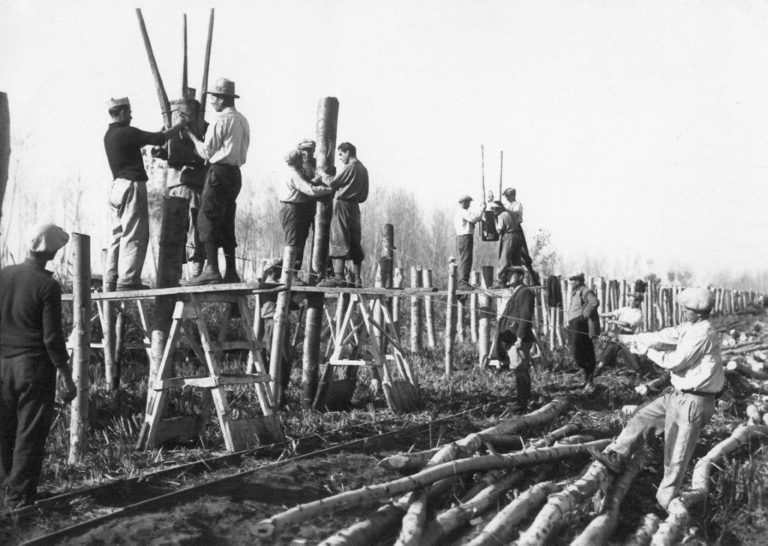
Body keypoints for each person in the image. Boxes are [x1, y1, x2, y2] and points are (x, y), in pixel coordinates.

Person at [588, 287, 723, 510]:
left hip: (694, 401)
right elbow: (662, 336)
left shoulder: (703, 333)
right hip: (678, 395)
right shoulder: (690, 327)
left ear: (698, 313)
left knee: (675, 456)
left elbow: (675, 362)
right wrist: (623, 338)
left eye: (686, 310)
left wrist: (646, 350)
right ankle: (617, 456)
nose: (682, 312)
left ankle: (663, 504)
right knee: (643, 417)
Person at [0, 223, 77, 509]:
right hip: (32, 368)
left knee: (4, 432)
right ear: (54, 252)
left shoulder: (3, 275)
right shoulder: (47, 285)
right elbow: (52, 339)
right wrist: (67, 378)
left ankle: (6, 496)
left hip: (2, 365)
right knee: (29, 435)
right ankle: (19, 500)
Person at [103, 97, 188, 291]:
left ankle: (111, 279)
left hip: (116, 187)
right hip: (131, 186)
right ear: (123, 112)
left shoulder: (109, 135)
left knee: (117, 234)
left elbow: (152, 137)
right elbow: (158, 138)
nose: (131, 115)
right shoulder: (127, 133)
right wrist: (180, 125)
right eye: (130, 112)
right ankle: (129, 280)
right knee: (136, 233)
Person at [184, 78, 250, 285]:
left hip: (219, 172)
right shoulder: (242, 120)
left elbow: (207, 150)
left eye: (214, 98)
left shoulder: (220, 120)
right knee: (226, 219)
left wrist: (192, 137)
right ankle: (231, 272)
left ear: (221, 99)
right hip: (235, 175)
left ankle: (211, 269)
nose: (212, 102)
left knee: (206, 218)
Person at [317, 142, 369, 288]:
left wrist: (321, 174)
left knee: (339, 237)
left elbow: (332, 182)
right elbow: (364, 195)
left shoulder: (350, 167)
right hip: (355, 207)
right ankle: (357, 279)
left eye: (341, 154)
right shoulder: (363, 169)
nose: (340, 158)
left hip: (343, 205)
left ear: (347, 152)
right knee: (354, 241)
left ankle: (339, 277)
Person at [279, 149, 333, 285]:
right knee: (294, 242)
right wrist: (329, 189)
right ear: (298, 161)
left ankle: (292, 273)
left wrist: (316, 180)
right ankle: (290, 274)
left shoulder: (292, 173)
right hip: (293, 209)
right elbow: (310, 190)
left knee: (298, 242)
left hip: (293, 208)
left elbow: (307, 185)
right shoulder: (294, 175)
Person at [494, 266, 536, 411]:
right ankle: (525, 401)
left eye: (511, 274)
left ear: (520, 276)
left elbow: (525, 316)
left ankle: (522, 404)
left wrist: (519, 337)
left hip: (519, 339)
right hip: (514, 338)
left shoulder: (524, 292)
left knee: (519, 369)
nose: (508, 276)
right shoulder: (517, 293)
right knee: (521, 369)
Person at [595, 289, 645, 373]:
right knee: (611, 345)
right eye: (629, 297)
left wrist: (614, 321)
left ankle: (638, 371)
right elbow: (611, 313)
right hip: (617, 332)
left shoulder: (638, 314)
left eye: (631, 298)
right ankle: (599, 368)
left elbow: (627, 324)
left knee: (630, 352)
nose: (629, 299)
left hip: (628, 335)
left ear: (637, 302)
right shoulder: (625, 309)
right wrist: (597, 315)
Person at [566, 272, 600, 391]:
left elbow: (594, 302)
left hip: (580, 325)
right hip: (575, 324)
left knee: (580, 352)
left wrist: (584, 315)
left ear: (579, 280)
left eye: (573, 280)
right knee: (581, 353)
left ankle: (589, 380)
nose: (571, 282)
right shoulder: (577, 291)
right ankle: (587, 380)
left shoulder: (585, 290)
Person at [500, 187, 539, 285]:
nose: (507, 198)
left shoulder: (518, 205)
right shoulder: (506, 205)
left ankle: (533, 279)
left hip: (516, 229)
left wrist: (503, 209)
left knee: (524, 254)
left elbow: (514, 215)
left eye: (508, 196)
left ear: (513, 195)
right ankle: (507, 279)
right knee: (507, 255)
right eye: (506, 196)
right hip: (507, 231)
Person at [454, 195, 483, 289]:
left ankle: (463, 281)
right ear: (464, 202)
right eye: (468, 203)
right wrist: (482, 208)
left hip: (463, 237)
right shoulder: (462, 212)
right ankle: (463, 282)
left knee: (465, 259)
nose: (469, 205)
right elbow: (473, 218)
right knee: (466, 259)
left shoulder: (460, 212)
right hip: (465, 237)